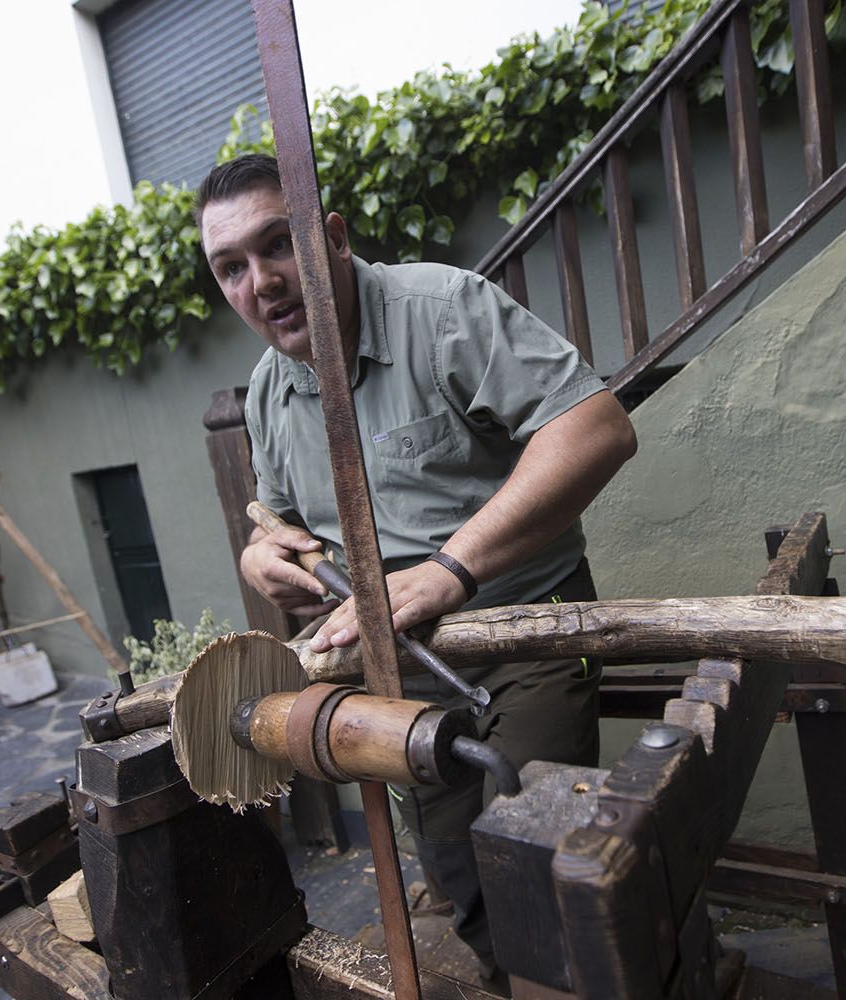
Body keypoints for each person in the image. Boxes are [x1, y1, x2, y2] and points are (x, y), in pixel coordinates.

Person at [197, 154, 638, 980]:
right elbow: (275, 524)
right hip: (400, 668)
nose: (262, 282)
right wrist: (265, 559)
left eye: (278, 244)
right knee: (461, 878)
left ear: (332, 235)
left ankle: (630, 968)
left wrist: (451, 569)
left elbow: (598, 428)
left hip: (523, 630)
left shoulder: (443, 310)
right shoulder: (267, 391)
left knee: (533, 847)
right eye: (232, 268)